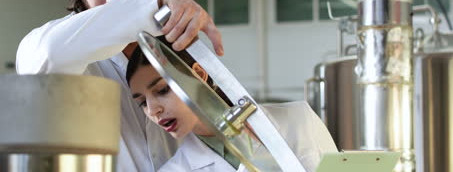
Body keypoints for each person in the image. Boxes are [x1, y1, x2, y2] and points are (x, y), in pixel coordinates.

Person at [16, 0, 223, 172]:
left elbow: (212, 135)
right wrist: (156, 0)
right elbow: (50, 55)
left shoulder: (176, 45)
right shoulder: (51, 44)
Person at [126, 39, 339, 172]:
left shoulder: (300, 119)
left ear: (199, 74)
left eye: (162, 90)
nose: (153, 110)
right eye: (142, 103)